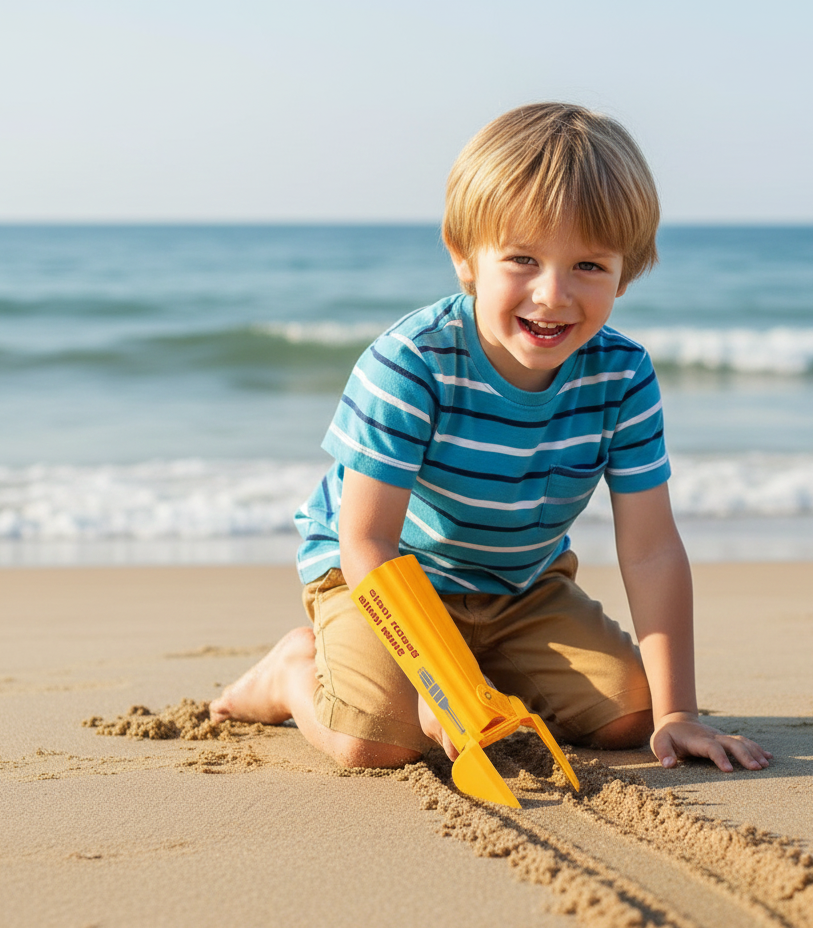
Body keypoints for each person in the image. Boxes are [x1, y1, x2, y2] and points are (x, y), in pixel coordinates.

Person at [211, 102, 771, 775]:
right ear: (464, 257)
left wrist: (679, 712)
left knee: (630, 715)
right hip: (383, 579)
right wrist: (440, 681)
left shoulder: (622, 376)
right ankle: (290, 672)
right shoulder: (412, 363)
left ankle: (490, 666)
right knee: (378, 743)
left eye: (589, 266)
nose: (553, 294)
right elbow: (368, 541)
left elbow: (651, 550)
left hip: (521, 585)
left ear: (631, 268)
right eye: (522, 259)